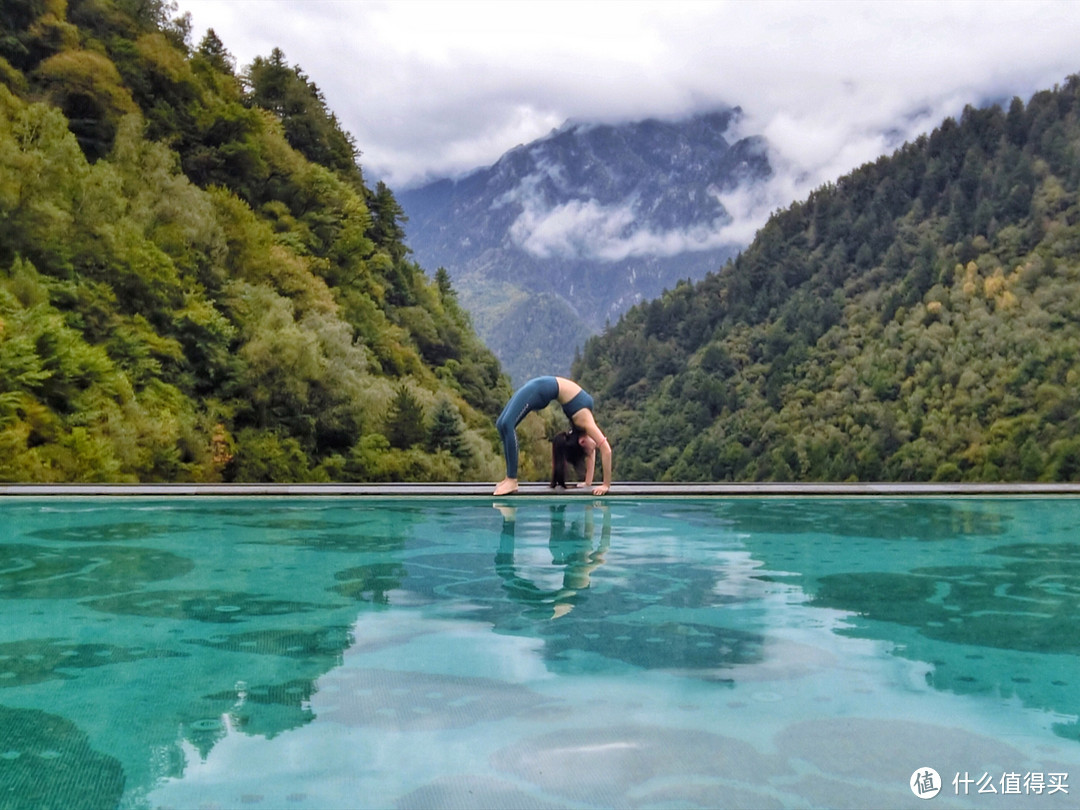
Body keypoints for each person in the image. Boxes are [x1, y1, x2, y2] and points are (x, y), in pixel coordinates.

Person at [493, 376, 612, 496]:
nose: (595, 447)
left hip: (540, 389)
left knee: (507, 424)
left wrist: (598, 485)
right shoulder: (585, 425)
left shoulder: (584, 425)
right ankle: (510, 479)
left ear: (581, 442)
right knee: (501, 424)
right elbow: (604, 450)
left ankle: (511, 479)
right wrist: (601, 484)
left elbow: (600, 451)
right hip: (540, 387)